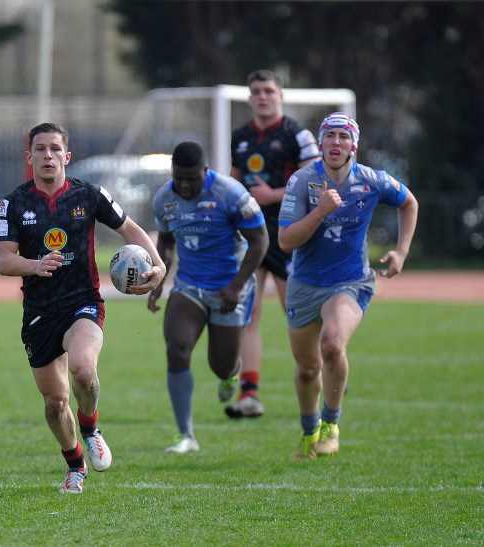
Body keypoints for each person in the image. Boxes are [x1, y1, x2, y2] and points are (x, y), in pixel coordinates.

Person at [0, 122, 166, 493]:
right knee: (55, 403)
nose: (48, 155)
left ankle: (90, 427)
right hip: (39, 312)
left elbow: (131, 230)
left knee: (83, 369)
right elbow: (3, 260)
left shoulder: (89, 195)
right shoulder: (14, 203)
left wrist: (158, 265)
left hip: (82, 301)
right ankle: (75, 465)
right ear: (29, 157)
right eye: (40, 149)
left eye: (55, 149)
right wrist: (35, 265)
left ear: (67, 156)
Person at [278, 112, 418, 460]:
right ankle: (309, 431)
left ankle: (331, 424)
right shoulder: (302, 182)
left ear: (353, 145)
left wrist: (401, 252)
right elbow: (285, 241)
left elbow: (409, 203)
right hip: (304, 284)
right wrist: (320, 211)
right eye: (330, 135)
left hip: (351, 282)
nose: (336, 142)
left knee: (332, 344)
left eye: (344, 136)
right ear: (321, 142)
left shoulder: (372, 180)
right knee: (307, 369)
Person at [148, 142, 269, 454]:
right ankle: (185, 435)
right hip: (189, 286)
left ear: (205, 171)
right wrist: (159, 281)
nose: (185, 185)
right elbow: (166, 242)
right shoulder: (164, 199)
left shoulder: (231, 193)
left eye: (192, 179)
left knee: (222, 366)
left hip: (230, 288)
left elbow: (260, 241)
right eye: (179, 178)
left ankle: (231, 375)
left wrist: (236, 286)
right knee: (177, 348)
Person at [227, 70, 321, 418]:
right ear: (250, 98)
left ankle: (320, 374)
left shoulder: (298, 135)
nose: (262, 96)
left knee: (295, 313)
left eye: (268, 90)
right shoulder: (241, 137)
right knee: (248, 314)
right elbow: (233, 184)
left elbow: (317, 183)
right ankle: (249, 394)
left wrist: (274, 195)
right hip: (251, 237)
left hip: (289, 235)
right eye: (256, 91)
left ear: (281, 95)